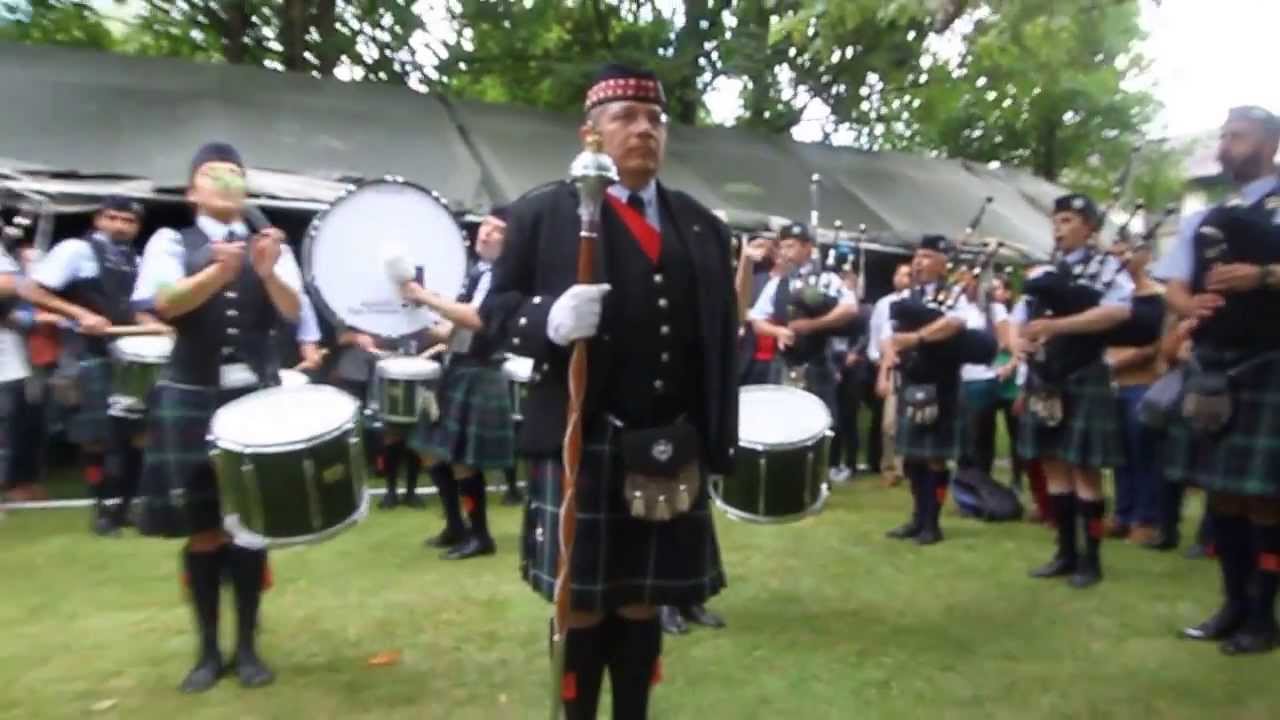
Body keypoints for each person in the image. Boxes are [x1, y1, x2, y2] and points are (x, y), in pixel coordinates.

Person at [480, 63, 737, 720]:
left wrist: (715, 438)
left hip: (668, 441)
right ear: (589, 133)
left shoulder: (701, 225)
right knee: (583, 602)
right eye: (626, 117)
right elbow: (496, 312)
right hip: (584, 436)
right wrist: (549, 320)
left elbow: (714, 339)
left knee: (642, 599)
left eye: (655, 119)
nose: (644, 130)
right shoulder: (541, 212)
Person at [131, 141, 303, 691]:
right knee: (203, 529)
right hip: (190, 392)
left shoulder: (270, 244)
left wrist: (267, 271)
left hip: (252, 396)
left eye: (235, 173)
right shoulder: (169, 241)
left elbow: (293, 312)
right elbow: (163, 303)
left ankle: (249, 648)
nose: (226, 180)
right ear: (192, 191)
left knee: (249, 527)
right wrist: (214, 275)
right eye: (212, 173)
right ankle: (208, 652)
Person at [1159, 106, 1280, 655]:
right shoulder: (1204, 216)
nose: (1226, 146)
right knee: (1224, 494)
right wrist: (1192, 303)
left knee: (1266, 498)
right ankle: (1232, 604)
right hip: (1215, 363)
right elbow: (1175, 287)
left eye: (1238, 137)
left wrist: (1265, 275)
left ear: (1270, 144)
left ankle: (1263, 614)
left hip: (1270, 359)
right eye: (1223, 137)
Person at [1018, 193, 1132, 589]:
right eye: (1056, 220)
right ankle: (1065, 552)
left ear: (1089, 227)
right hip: (1045, 374)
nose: (1058, 228)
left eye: (1067, 220)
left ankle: (1092, 560)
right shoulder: (1046, 269)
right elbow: (1023, 315)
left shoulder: (1107, 268)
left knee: (1084, 468)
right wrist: (1021, 342)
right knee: (1053, 465)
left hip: (1084, 372)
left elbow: (1119, 312)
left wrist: (1058, 327)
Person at [398, 207, 514, 560]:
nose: (485, 233)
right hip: (456, 368)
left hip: (479, 371)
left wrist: (425, 296)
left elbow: (475, 320)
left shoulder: (506, 277)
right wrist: (408, 316)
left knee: (463, 458)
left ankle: (480, 536)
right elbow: (450, 330)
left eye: (496, 230)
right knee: (430, 450)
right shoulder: (479, 274)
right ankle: (455, 526)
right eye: (484, 226)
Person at [23, 196, 145, 535]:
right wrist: (80, 315)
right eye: (113, 217)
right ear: (98, 219)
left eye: (128, 220)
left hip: (129, 352)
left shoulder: (137, 259)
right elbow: (31, 290)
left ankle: (124, 507)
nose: (120, 225)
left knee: (134, 434)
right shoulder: (75, 250)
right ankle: (103, 512)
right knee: (97, 436)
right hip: (87, 352)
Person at [880, 236, 975, 545]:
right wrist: (891, 352)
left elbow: (956, 325)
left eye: (927, 256)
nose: (918, 262)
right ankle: (916, 517)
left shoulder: (955, 296)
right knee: (911, 457)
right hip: (911, 378)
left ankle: (932, 523)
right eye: (916, 256)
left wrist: (917, 338)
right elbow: (888, 333)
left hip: (942, 381)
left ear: (943, 263)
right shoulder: (907, 295)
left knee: (934, 456)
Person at [748, 222, 858, 421]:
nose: (784, 252)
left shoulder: (828, 279)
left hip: (817, 362)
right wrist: (778, 332)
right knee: (781, 423)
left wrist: (813, 325)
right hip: (784, 362)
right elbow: (756, 319)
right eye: (782, 246)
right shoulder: (778, 282)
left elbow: (850, 308)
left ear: (808, 247)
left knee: (819, 424)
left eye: (791, 246)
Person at [1104, 237, 1165, 545]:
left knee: (1145, 454)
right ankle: (1122, 514)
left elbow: (1158, 343)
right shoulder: (1111, 297)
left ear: (1145, 256)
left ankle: (1147, 519)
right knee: (1119, 455)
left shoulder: (1159, 297)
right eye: (1112, 255)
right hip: (1111, 385)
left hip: (1143, 383)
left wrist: (1124, 360)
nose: (1118, 260)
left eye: (1124, 253)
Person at [869, 263, 911, 486]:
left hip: (916, 367)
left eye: (908, 274)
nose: (904, 278)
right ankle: (890, 467)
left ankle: (908, 466)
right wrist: (882, 370)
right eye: (901, 273)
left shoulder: (918, 302)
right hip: (892, 365)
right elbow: (880, 335)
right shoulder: (884, 304)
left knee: (913, 420)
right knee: (890, 422)